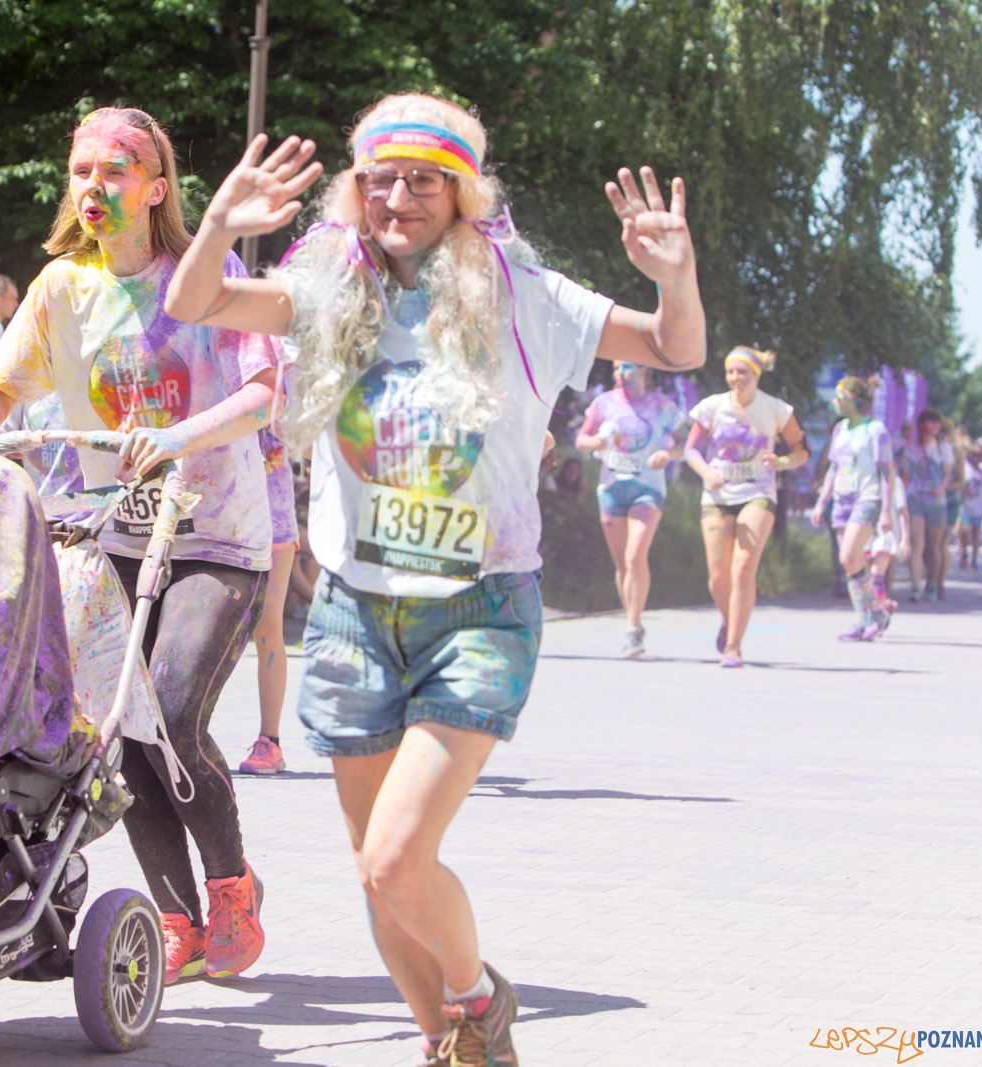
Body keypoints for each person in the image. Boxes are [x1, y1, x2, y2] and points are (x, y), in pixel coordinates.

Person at [163, 93, 706, 1065]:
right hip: (352, 614)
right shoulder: (327, 285)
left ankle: (476, 1000)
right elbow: (192, 304)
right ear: (355, 187)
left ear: (462, 190)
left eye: (423, 176)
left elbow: (677, 349)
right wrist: (214, 224)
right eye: (380, 176)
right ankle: (450, 1045)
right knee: (379, 882)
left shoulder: (518, 292)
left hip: (478, 612)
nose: (399, 194)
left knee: (395, 857)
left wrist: (675, 277)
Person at [0, 106, 280, 986]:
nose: (94, 185)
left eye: (115, 170)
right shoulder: (60, 289)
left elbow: (261, 396)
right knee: (113, 737)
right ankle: (175, 919)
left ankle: (232, 885)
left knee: (168, 712)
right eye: (82, 169)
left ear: (156, 188)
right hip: (115, 534)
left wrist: (176, 439)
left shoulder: (207, 277)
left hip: (216, 534)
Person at [685, 347, 809, 667]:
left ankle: (733, 647)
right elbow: (691, 450)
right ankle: (730, 620)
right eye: (731, 372)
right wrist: (705, 472)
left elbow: (801, 450)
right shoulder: (712, 407)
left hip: (758, 491)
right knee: (717, 576)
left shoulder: (776, 409)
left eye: (743, 372)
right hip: (718, 494)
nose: (736, 378)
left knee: (742, 568)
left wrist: (780, 461)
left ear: (756, 375)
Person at [576, 361, 683, 657]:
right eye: (616, 368)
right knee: (623, 563)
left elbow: (687, 443)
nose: (621, 374)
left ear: (644, 371)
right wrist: (596, 440)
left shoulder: (662, 406)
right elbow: (582, 440)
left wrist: (668, 453)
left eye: (627, 367)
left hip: (648, 488)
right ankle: (631, 620)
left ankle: (633, 629)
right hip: (611, 489)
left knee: (635, 555)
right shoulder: (603, 403)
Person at [810, 376, 893, 640]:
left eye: (839, 396)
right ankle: (866, 618)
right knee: (852, 563)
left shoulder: (875, 429)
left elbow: (888, 472)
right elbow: (834, 468)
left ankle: (875, 614)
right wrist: (822, 502)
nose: (834, 402)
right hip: (841, 501)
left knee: (848, 556)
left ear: (852, 400)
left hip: (865, 498)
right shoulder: (840, 429)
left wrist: (887, 510)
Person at [239, 429, 300, 774]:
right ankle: (189, 734)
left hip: (273, 522)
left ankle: (270, 742)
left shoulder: (279, 381)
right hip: (217, 522)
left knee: (267, 629)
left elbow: (297, 440)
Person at [897, 408, 953, 601]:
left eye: (938, 422)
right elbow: (905, 475)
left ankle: (932, 582)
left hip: (937, 503)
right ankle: (914, 587)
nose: (936, 426)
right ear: (922, 424)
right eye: (932, 422)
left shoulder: (943, 447)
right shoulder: (911, 448)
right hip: (915, 499)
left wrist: (941, 487)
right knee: (916, 543)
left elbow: (947, 473)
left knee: (933, 547)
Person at [866, 467, 909, 615]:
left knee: (876, 574)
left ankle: (877, 613)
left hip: (886, 533)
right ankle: (882, 606)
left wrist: (905, 539)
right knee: (865, 579)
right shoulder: (866, 479)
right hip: (866, 533)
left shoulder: (895, 482)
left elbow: (903, 512)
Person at [958, 439, 982, 570]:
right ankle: (964, 551)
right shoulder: (964, 468)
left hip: (978, 506)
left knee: (976, 533)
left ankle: (974, 559)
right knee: (965, 530)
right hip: (966, 506)